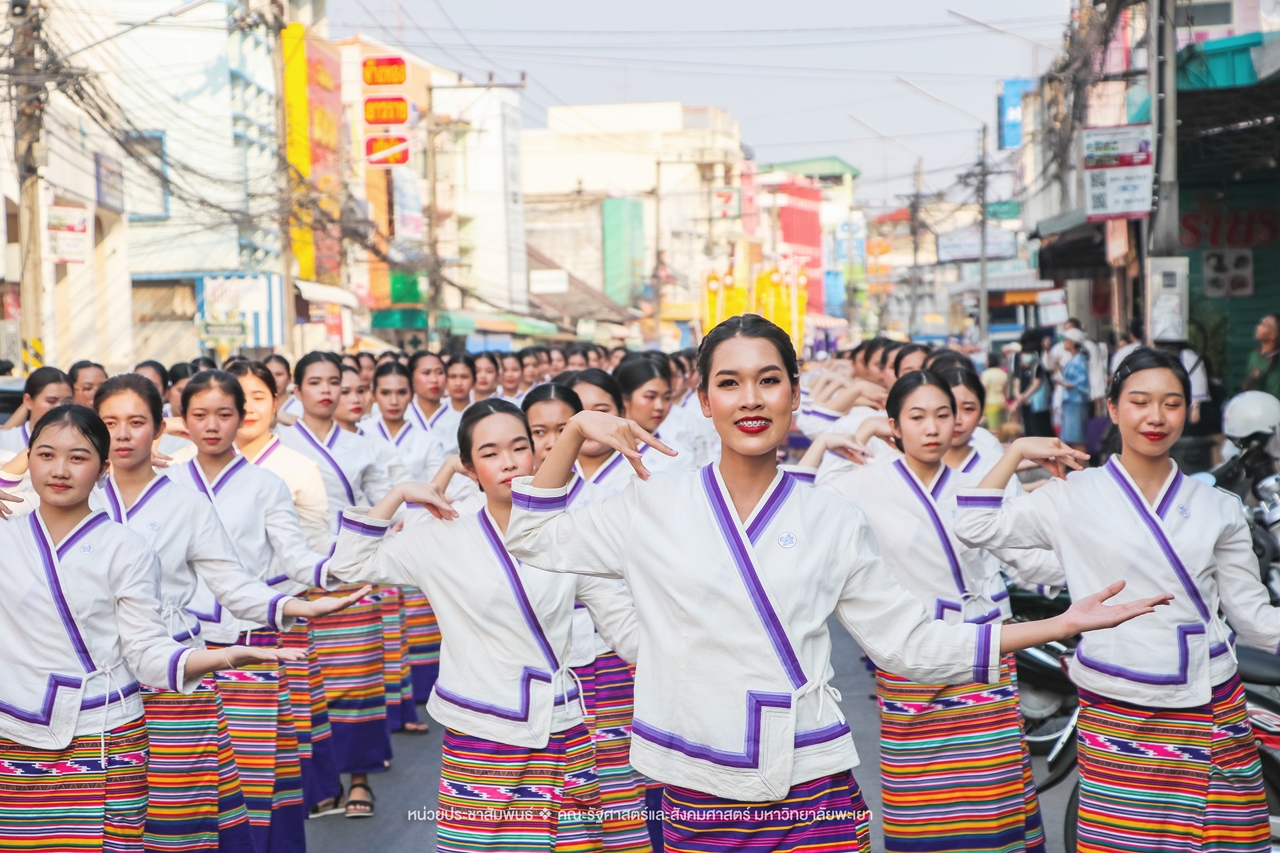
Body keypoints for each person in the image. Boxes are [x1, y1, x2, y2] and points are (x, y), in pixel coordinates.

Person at [503, 314, 1168, 851]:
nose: (751, 399)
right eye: (730, 383)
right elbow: (531, 535)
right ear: (703, 400)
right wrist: (575, 431)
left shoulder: (833, 515)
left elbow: (910, 644)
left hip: (812, 780)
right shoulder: (654, 502)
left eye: (769, 380)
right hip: (694, 778)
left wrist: (1061, 624)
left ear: (795, 394)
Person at [955, 347, 1280, 853]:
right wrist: (1016, 452)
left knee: (1221, 841)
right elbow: (974, 525)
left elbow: (1253, 618)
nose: (1156, 417)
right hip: (1117, 705)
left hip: (1209, 703)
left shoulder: (1219, 506)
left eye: (1172, 403)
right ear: (1111, 407)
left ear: (1189, 411)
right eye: (1140, 401)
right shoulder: (1071, 495)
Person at [326, 398, 640, 852]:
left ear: (536, 453)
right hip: (479, 731)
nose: (509, 462)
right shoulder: (441, 536)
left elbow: (626, 633)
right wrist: (399, 494)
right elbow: (348, 564)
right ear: (469, 469)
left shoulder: (569, 532)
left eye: (519, 447)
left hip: (561, 725)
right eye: (490, 453)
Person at [0, 404, 301, 853]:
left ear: (103, 469)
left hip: (104, 732)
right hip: (13, 731)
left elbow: (146, 652)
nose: (60, 470)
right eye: (46, 455)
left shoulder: (127, 548)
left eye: (78, 458)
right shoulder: (6, 534)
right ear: (28, 460)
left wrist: (225, 656)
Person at [93, 374, 363, 850]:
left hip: (184, 659)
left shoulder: (201, 498)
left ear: (159, 427)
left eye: (136, 422)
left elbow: (237, 581)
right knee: (103, 813)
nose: (122, 434)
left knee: (182, 811)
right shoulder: (81, 495)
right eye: (108, 423)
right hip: (101, 671)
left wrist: (303, 602)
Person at [812, 370, 1060, 852]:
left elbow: (1025, 558)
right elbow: (804, 510)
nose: (932, 428)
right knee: (922, 796)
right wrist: (832, 441)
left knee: (993, 795)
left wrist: (1091, 566)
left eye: (943, 415)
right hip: (913, 657)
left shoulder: (977, 486)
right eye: (917, 417)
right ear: (894, 426)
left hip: (984, 652)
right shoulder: (862, 484)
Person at [167, 370, 351, 842]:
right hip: (180, 649)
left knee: (255, 777)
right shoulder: (165, 479)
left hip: (250, 638)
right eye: (199, 414)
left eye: (224, 414)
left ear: (240, 417)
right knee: (186, 785)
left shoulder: (266, 483)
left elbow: (296, 556)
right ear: (182, 418)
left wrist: (344, 568)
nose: (212, 425)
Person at [523, 383, 654, 852]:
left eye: (563, 430)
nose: (551, 442)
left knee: (617, 784)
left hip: (606, 656)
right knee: (550, 795)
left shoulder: (609, 497)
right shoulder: (509, 507)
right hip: (536, 669)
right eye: (539, 432)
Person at [223, 360, 343, 815]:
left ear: (276, 402)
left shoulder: (298, 467)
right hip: (204, 623)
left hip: (278, 612)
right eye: (237, 398)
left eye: (259, 397)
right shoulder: (182, 465)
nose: (248, 408)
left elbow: (313, 545)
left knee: (279, 737)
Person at [1013, 332, 1052, 437]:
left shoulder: (1036, 367)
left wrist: (1023, 396)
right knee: (1029, 428)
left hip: (1036, 404)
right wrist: (1018, 396)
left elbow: (1036, 384)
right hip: (1025, 403)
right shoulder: (1020, 368)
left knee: (1039, 428)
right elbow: (1016, 382)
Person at [1059, 327, 1091, 450]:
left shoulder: (1079, 359)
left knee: (1077, 439)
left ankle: (1082, 462)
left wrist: (1069, 384)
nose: (1064, 343)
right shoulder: (1073, 359)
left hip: (1076, 402)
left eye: (1066, 340)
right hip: (1070, 402)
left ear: (1072, 343)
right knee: (1068, 438)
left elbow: (1082, 380)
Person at [1245, 313, 1280, 401]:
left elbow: (1274, 399)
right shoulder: (1254, 354)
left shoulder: (1275, 363)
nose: (1257, 326)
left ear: (1273, 334)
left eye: (1263, 325)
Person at [980, 352, 1009, 432]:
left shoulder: (986, 374)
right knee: (1001, 429)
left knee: (993, 430)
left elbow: (985, 392)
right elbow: (1005, 392)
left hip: (990, 405)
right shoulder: (1003, 374)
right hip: (1002, 403)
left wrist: (982, 407)